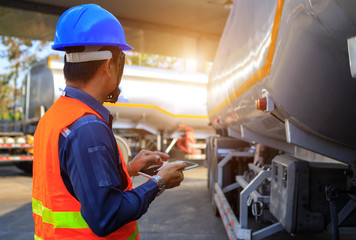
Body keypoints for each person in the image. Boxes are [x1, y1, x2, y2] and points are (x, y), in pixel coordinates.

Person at [32, 4, 185, 240]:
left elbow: (77, 182)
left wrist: (131, 168)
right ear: (108, 66)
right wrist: (159, 182)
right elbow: (106, 216)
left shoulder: (55, 116)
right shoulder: (87, 127)